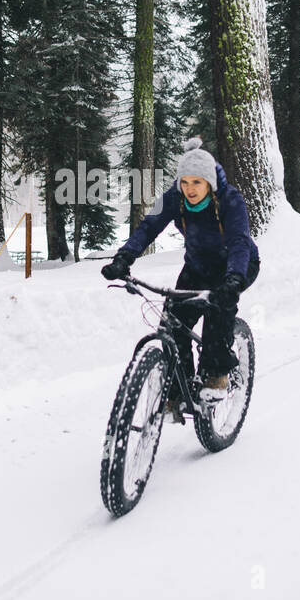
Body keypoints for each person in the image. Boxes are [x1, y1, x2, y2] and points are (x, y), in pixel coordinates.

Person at [101, 137, 261, 414]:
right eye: (184, 182)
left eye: (196, 182)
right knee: (173, 322)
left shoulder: (230, 200)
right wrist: (124, 258)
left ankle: (217, 375)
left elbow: (239, 242)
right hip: (198, 266)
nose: (189, 189)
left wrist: (234, 278)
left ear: (209, 181)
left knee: (216, 314)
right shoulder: (174, 198)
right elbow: (148, 227)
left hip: (238, 264)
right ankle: (179, 389)